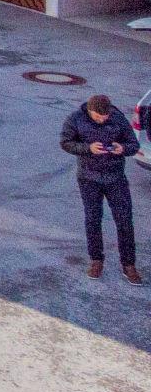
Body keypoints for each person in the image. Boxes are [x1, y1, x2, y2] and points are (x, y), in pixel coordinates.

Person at [61, 93, 141, 282]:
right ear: (90, 111)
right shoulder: (75, 119)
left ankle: (129, 265)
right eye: (99, 117)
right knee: (93, 219)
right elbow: (65, 143)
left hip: (115, 178)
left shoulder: (118, 118)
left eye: (106, 117)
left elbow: (133, 145)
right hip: (89, 179)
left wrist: (122, 148)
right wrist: (88, 148)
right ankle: (96, 260)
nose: (103, 119)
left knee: (124, 221)